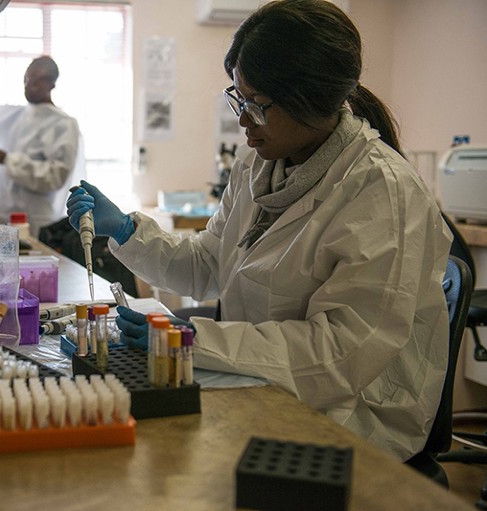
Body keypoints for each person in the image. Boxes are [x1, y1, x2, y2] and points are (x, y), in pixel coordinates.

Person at [67, 0, 452, 462]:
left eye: (257, 104)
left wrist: (191, 338)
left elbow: (339, 354)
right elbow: (210, 263)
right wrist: (128, 230)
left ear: (312, 99)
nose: (242, 120)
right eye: (238, 98)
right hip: (263, 379)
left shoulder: (383, 194)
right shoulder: (260, 162)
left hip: (353, 416)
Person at [0, 56, 85, 236]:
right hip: (1, 216)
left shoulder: (63, 124)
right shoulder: (15, 116)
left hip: (34, 222)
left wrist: (8, 160)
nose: (28, 84)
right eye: (26, 79)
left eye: (36, 80)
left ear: (52, 83)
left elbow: (55, 176)